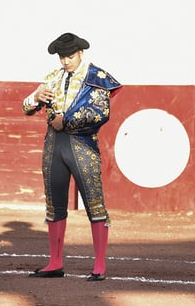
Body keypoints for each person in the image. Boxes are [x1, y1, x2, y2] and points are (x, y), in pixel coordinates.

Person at [21, 33, 123, 281]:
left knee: (94, 202)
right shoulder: (53, 78)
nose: (65, 61)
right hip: (54, 145)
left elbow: (100, 113)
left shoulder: (96, 78)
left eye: (69, 56)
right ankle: (55, 262)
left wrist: (65, 120)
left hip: (82, 145)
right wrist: (35, 98)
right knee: (54, 203)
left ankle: (99, 265)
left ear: (80, 53)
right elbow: (26, 108)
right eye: (62, 57)